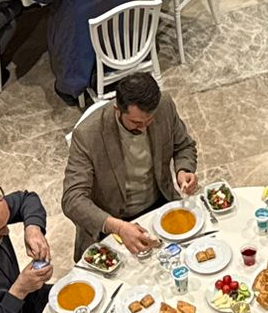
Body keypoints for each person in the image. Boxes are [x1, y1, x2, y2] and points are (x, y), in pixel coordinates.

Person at [61, 70, 200, 256]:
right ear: (117, 109)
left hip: (159, 203)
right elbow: (72, 199)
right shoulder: (87, 135)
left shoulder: (164, 105)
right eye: (136, 122)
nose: (143, 128)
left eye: (149, 121)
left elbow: (184, 146)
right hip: (115, 219)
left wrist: (183, 170)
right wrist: (117, 227)